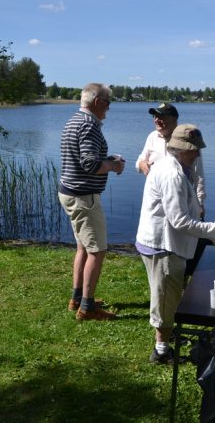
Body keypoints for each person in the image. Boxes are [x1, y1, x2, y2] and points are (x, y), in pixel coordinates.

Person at [135, 124, 215, 364]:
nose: (197, 154)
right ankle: (161, 351)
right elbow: (179, 221)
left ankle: (165, 339)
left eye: (198, 149)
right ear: (179, 149)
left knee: (167, 295)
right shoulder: (172, 175)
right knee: (164, 300)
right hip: (163, 245)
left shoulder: (177, 167)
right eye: (193, 150)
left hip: (165, 243)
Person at [58, 83, 125, 321]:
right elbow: (90, 164)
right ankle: (87, 308)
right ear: (97, 102)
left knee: (84, 248)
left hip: (71, 192)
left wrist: (106, 159)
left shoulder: (75, 120)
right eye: (108, 102)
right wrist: (113, 165)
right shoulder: (89, 125)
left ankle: (77, 298)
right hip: (83, 198)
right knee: (97, 250)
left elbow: (84, 159)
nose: (109, 107)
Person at [135, 103, 208, 275]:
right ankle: (169, 273)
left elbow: (199, 176)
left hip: (183, 198)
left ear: (174, 120)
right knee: (165, 239)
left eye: (161, 117)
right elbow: (138, 162)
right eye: (154, 116)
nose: (156, 120)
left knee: (184, 239)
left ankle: (183, 275)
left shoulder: (187, 140)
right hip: (158, 200)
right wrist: (144, 165)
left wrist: (200, 204)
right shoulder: (152, 137)